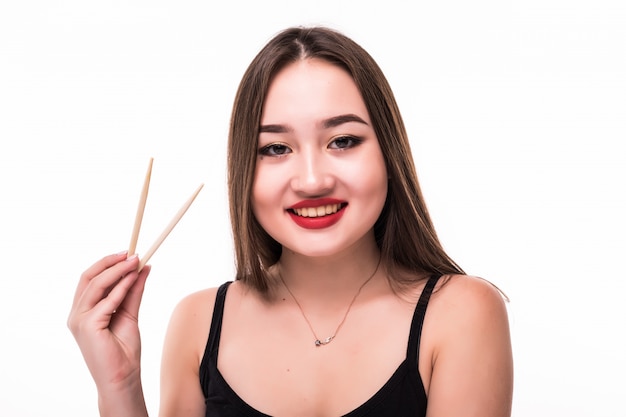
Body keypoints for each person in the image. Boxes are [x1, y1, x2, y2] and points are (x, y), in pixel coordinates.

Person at [68, 26, 513, 417]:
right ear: (246, 169)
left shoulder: (460, 313)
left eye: (343, 140)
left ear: (388, 155)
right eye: (277, 148)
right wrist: (119, 386)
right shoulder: (199, 323)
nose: (313, 180)